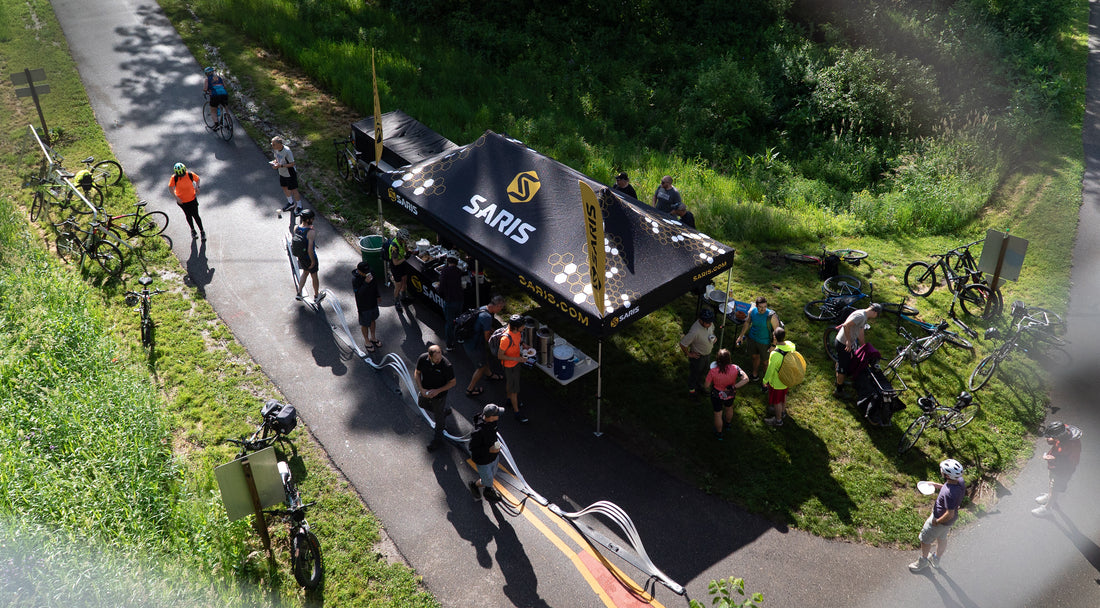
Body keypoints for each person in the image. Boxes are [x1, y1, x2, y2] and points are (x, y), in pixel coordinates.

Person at [909, 459, 966, 572]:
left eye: (942, 470)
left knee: (925, 540)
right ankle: (936, 558)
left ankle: (923, 561)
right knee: (942, 538)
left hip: (941, 520)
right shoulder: (959, 481)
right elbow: (947, 488)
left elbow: (950, 513)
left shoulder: (949, 494)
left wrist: (937, 521)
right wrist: (936, 485)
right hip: (949, 523)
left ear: (947, 475)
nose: (941, 471)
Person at [1032, 421, 1083, 517]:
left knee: (1056, 487)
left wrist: (1053, 458)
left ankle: (1047, 508)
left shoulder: (1072, 446)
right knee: (1052, 481)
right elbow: (1054, 441)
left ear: (1060, 436)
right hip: (1055, 466)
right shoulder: (1064, 430)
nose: (1051, 438)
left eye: (1053, 437)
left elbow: (1071, 463)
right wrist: (1051, 440)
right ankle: (1049, 495)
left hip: (1063, 471)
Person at [415, 344, 457, 452]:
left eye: (440, 357)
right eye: (436, 359)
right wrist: (421, 389)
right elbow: (417, 373)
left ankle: (437, 440)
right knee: (421, 404)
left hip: (439, 396)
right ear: (429, 356)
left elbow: (453, 382)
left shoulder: (446, 365)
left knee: (438, 420)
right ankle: (442, 413)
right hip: (425, 391)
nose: (439, 360)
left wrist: (437, 391)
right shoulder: (422, 359)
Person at [834, 303, 883, 397]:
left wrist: (864, 346)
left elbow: (860, 332)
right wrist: (848, 341)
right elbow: (846, 325)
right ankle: (838, 391)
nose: (875, 317)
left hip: (846, 343)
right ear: (874, 312)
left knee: (842, 362)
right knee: (843, 367)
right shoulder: (861, 316)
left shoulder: (863, 316)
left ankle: (839, 381)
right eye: (877, 315)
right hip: (843, 343)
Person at [703, 348, 750, 440]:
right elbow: (746, 379)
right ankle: (728, 424)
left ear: (717, 360)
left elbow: (706, 385)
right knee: (729, 408)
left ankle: (719, 433)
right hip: (730, 393)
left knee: (718, 414)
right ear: (729, 359)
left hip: (716, 394)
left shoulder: (713, 371)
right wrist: (734, 387)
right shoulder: (735, 368)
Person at [464, 295, 505, 396]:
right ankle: (470, 390)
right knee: (480, 367)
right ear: (498, 306)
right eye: (501, 308)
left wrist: (492, 331)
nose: (501, 310)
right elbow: (487, 338)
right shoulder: (487, 317)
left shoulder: (483, 308)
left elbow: (483, 326)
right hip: (474, 345)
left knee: (484, 359)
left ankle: (490, 375)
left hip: (469, 341)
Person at [735, 296, 780, 381]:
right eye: (760, 307)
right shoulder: (752, 311)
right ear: (756, 306)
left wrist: (774, 345)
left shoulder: (771, 316)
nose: (763, 309)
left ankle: (766, 380)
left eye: (765, 307)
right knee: (755, 357)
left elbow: (776, 331)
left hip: (765, 342)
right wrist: (741, 336)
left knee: (765, 362)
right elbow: (747, 322)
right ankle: (755, 374)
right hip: (752, 339)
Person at [468, 404, 504, 502]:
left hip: (493, 457)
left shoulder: (492, 421)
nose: (499, 416)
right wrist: (489, 450)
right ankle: (475, 485)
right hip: (483, 461)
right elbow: (472, 448)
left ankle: (488, 489)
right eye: (497, 414)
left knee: (491, 475)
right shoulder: (479, 432)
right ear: (490, 417)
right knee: (487, 480)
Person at [762, 326, 796, 426]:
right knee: (783, 396)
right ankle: (783, 412)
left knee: (777, 401)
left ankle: (778, 420)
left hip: (777, 382)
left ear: (775, 337)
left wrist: (765, 381)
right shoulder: (791, 345)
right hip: (787, 378)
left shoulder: (775, 354)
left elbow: (770, 370)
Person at [498, 314, 529, 423]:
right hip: (510, 366)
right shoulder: (505, 339)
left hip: (515, 363)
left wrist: (523, 344)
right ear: (516, 327)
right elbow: (500, 355)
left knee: (510, 384)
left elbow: (517, 340)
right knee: (514, 390)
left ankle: (508, 399)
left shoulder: (517, 332)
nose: (524, 327)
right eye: (522, 325)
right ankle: (517, 412)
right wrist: (517, 359)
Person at [679, 308, 717, 395]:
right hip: (698, 357)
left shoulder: (709, 323)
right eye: (708, 323)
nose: (710, 324)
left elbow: (712, 330)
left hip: (707, 354)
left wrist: (714, 337)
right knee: (694, 374)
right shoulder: (695, 331)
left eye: (711, 322)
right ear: (701, 320)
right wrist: (689, 354)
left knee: (704, 372)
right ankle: (692, 391)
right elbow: (683, 344)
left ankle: (699, 386)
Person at [167, 162, 206, 240]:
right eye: (180, 175)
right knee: (188, 215)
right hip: (182, 202)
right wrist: (176, 197)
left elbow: (198, 179)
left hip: (192, 199)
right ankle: (193, 230)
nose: (183, 175)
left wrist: (197, 187)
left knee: (196, 216)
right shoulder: (174, 178)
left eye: (183, 173)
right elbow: (170, 187)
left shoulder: (190, 174)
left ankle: (202, 231)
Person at [293, 209, 323, 303]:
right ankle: (317, 295)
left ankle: (299, 293)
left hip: (301, 257)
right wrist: (313, 261)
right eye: (312, 218)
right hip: (309, 258)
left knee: (305, 273)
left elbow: (301, 242)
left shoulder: (296, 228)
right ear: (308, 220)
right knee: (314, 276)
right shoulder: (311, 232)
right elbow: (310, 249)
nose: (313, 219)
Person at [352, 261, 382, 353]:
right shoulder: (355, 280)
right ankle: (367, 341)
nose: (367, 273)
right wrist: (365, 283)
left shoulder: (371, 273)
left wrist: (378, 295)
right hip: (363, 305)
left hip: (372, 302)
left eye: (367, 271)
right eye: (364, 272)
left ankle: (373, 337)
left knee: (373, 319)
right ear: (359, 271)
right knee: (365, 323)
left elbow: (375, 285)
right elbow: (358, 294)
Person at [437, 256, 465, 351]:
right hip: (460, 299)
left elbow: (441, 287)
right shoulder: (459, 271)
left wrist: (439, 291)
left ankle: (449, 344)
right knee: (459, 320)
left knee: (449, 323)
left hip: (450, 300)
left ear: (448, 261)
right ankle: (460, 337)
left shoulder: (445, 272)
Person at [270, 136, 302, 214]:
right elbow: (277, 159)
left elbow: (292, 163)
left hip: (289, 173)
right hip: (282, 172)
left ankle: (299, 206)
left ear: (279, 144)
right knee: (284, 187)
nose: (272, 145)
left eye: (274, 144)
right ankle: (290, 203)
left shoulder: (287, 151)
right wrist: (275, 162)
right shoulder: (276, 150)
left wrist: (280, 166)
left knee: (294, 190)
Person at [388, 229, 412, 313]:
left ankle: (403, 297)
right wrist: (405, 257)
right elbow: (395, 262)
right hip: (396, 266)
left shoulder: (402, 241)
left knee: (404, 280)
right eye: (404, 240)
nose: (405, 242)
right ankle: (397, 301)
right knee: (398, 284)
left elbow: (405, 248)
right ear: (400, 238)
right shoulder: (394, 247)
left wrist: (409, 252)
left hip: (402, 263)